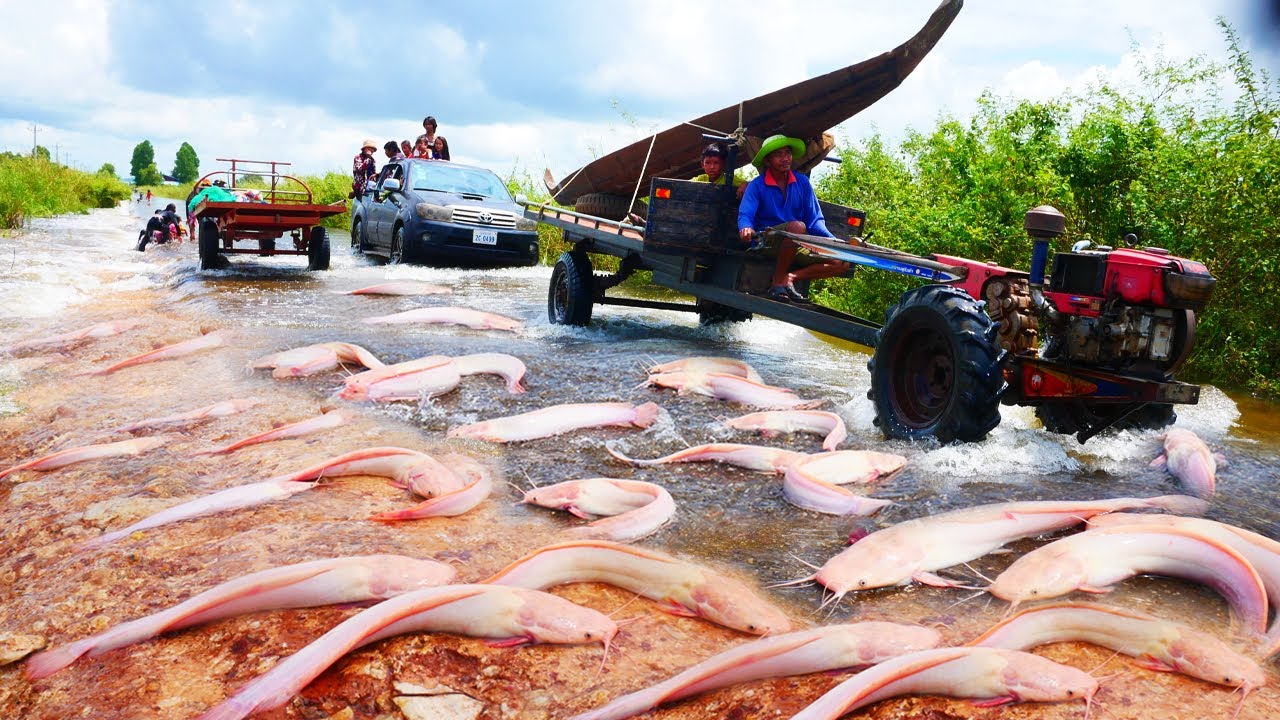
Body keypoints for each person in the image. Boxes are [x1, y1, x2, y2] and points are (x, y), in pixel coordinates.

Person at [737, 134, 850, 302]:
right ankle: (777, 282)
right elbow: (746, 214)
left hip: (797, 243)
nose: (785, 158)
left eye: (788, 153)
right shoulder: (757, 185)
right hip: (766, 242)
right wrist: (745, 228)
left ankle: (789, 278)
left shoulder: (802, 183)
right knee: (797, 227)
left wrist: (833, 242)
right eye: (778, 154)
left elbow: (815, 221)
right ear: (768, 161)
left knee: (842, 262)